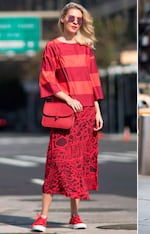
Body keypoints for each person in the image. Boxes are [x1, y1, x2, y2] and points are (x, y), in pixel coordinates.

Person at [32, 2, 104, 232]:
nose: (75, 22)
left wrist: (98, 111)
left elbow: (93, 82)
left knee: (79, 165)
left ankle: (75, 216)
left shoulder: (86, 48)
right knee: (55, 162)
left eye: (79, 19)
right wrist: (67, 98)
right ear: (62, 19)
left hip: (86, 114)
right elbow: (47, 78)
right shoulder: (53, 47)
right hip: (65, 113)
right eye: (72, 17)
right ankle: (42, 216)